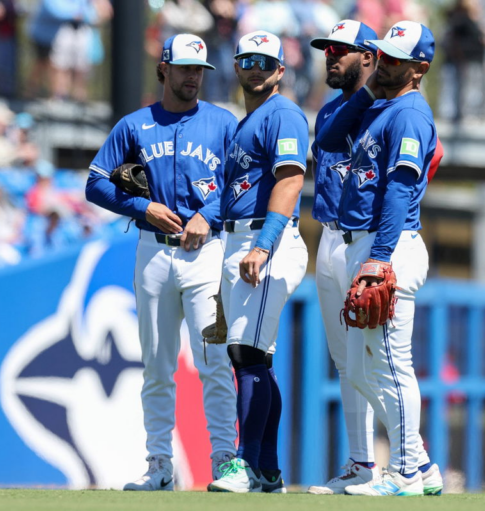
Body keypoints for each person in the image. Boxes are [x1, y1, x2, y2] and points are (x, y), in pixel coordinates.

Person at [85, 34, 238, 490]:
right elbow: (94, 183)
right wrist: (141, 207)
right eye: (185, 68)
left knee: (213, 360)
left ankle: (225, 461)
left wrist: (207, 217)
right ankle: (158, 465)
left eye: (200, 70)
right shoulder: (134, 126)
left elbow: (240, 185)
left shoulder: (223, 123)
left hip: (208, 255)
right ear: (163, 69)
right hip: (153, 253)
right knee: (156, 364)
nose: (193, 77)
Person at [316, 20, 443, 496]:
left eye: (395, 58)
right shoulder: (379, 105)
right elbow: (329, 140)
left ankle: (407, 471)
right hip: (363, 243)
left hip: (388, 245)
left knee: (390, 364)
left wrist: (380, 259)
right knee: (364, 369)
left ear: (419, 69)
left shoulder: (410, 113)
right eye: (382, 54)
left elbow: (400, 191)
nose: (384, 62)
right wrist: (369, 89)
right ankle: (422, 465)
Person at [207, 30, 308, 494]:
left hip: (266, 239)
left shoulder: (282, 113)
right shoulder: (248, 119)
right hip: (240, 238)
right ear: (236, 65)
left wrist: (264, 244)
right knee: (256, 358)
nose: (255, 69)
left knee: (246, 356)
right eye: (248, 60)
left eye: (265, 62)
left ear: (281, 71)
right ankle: (266, 469)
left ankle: (246, 465)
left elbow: (289, 179)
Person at [306, 19, 382, 495]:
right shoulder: (329, 113)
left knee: (373, 359)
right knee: (345, 363)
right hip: (329, 239)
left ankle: (410, 461)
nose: (331, 56)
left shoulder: (390, 112)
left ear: (369, 57)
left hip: (368, 241)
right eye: (327, 49)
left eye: (341, 49)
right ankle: (361, 463)